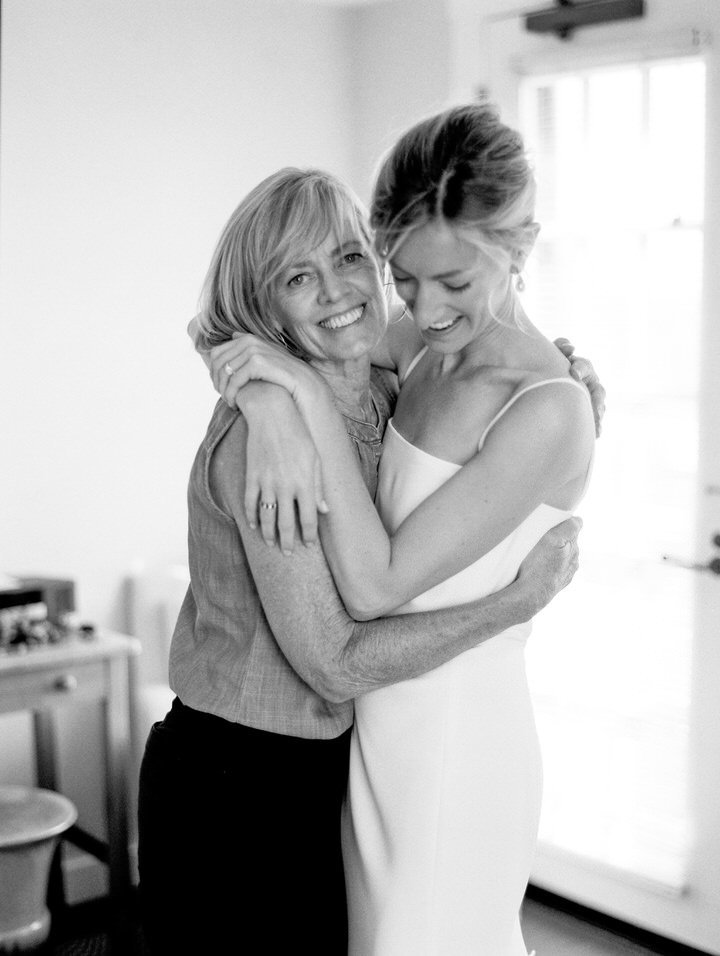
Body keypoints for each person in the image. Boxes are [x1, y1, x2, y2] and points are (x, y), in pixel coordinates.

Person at [138, 165, 600, 956]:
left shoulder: (390, 388)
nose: (336, 293)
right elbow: (336, 665)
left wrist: (568, 387)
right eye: (297, 277)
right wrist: (513, 607)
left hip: (333, 773)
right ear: (264, 305)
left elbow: (491, 382)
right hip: (235, 787)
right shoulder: (263, 443)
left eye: (350, 259)